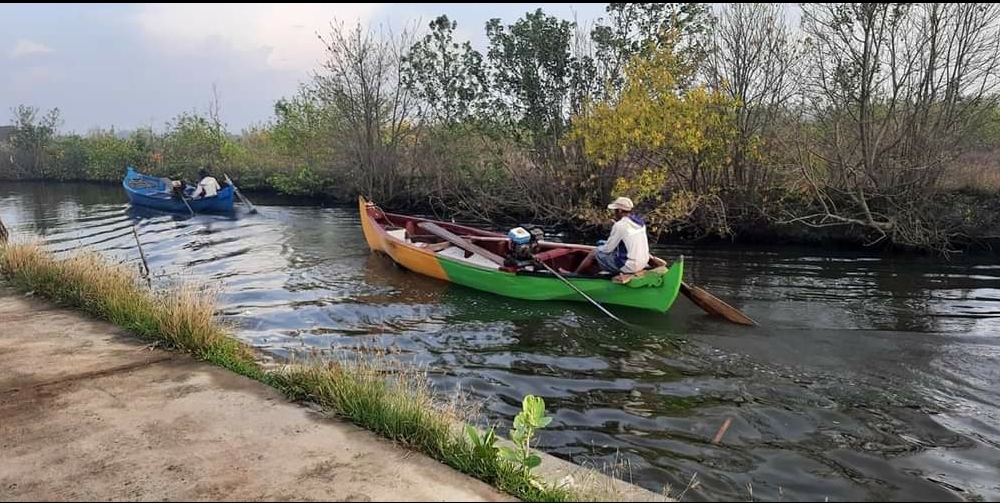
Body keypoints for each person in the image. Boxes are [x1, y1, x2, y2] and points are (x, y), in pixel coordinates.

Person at [573, 196, 650, 275]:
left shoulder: (620, 225)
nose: (614, 213)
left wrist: (599, 247)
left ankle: (575, 274)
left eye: (615, 211)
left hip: (629, 266)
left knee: (594, 252)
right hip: (643, 262)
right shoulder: (640, 222)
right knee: (608, 252)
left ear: (619, 211)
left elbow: (608, 249)